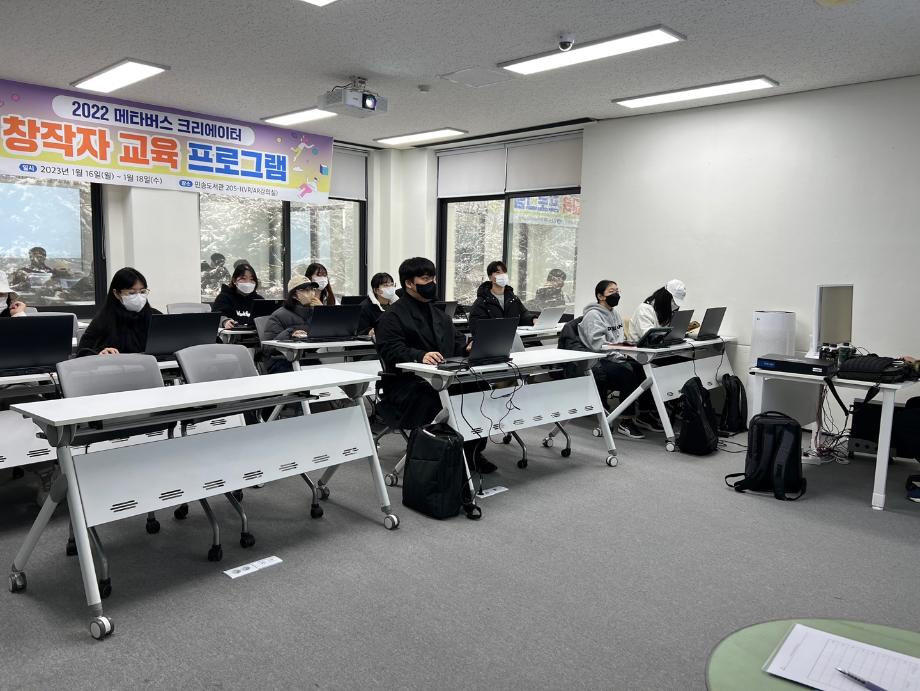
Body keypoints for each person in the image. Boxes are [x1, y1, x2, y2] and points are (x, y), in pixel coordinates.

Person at [375, 257, 494, 473]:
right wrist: (420, 355)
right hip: (408, 384)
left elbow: (456, 343)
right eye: (425, 278)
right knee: (436, 400)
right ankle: (439, 458)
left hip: (442, 379)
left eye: (433, 278)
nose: (432, 283)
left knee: (479, 389)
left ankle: (473, 452)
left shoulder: (440, 315)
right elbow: (390, 350)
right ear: (409, 283)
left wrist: (468, 347)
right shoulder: (392, 316)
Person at [579, 280, 662, 438]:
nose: (616, 294)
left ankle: (644, 414)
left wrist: (627, 348)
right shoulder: (593, 315)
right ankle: (626, 421)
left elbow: (619, 339)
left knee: (643, 369)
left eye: (617, 291)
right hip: (599, 359)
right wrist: (621, 351)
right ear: (600, 296)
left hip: (617, 356)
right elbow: (597, 345)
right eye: (611, 292)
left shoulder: (615, 313)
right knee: (628, 374)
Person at [77, 267, 160, 356]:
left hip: (156, 363)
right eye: (132, 293)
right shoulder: (103, 319)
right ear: (116, 293)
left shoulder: (155, 316)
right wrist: (99, 353)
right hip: (116, 364)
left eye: (142, 292)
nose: (139, 297)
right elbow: (82, 352)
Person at [262, 276, 322, 373]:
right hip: (281, 361)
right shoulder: (278, 315)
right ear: (294, 295)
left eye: (312, 289)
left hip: (306, 357)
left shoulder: (315, 312)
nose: (312, 293)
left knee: (325, 372)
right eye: (307, 290)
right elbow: (268, 348)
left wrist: (321, 311)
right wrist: (290, 333)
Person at [468, 261, 534, 327]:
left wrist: (533, 319)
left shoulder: (513, 299)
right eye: (498, 272)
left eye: (504, 272)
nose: (503, 275)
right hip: (494, 333)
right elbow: (476, 324)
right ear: (490, 277)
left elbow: (524, 314)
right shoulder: (482, 301)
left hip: (513, 333)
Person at [626, 279, 688, 343]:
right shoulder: (644, 310)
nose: (676, 307)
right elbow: (650, 338)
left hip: (659, 347)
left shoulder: (664, 311)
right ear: (665, 298)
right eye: (674, 302)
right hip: (639, 347)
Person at [211, 263, 264, 328]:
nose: (248, 282)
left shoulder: (259, 300)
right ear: (234, 280)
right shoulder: (224, 297)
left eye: (252, 279)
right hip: (232, 334)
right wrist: (225, 321)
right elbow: (216, 316)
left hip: (255, 334)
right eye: (243, 278)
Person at [358, 272, 397, 337]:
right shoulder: (365, 307)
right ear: (376, 290)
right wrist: (369, 332)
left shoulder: (397, 304)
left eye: (392, 285)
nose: (390, 288)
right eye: (386, 285)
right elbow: (360, 331)